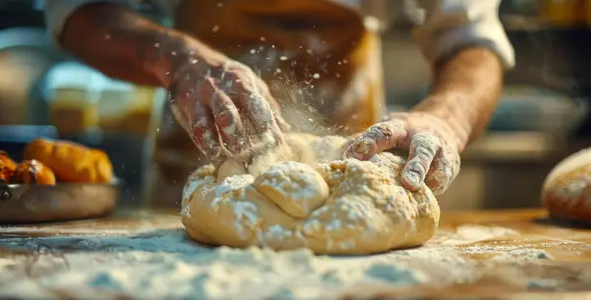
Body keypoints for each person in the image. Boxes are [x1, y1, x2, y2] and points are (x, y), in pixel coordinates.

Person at [43, 0, 514, 207]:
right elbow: (80, 10)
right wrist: (177, 60)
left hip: (353, 178)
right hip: (195, 165)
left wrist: (445, 119)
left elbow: (470, 36)